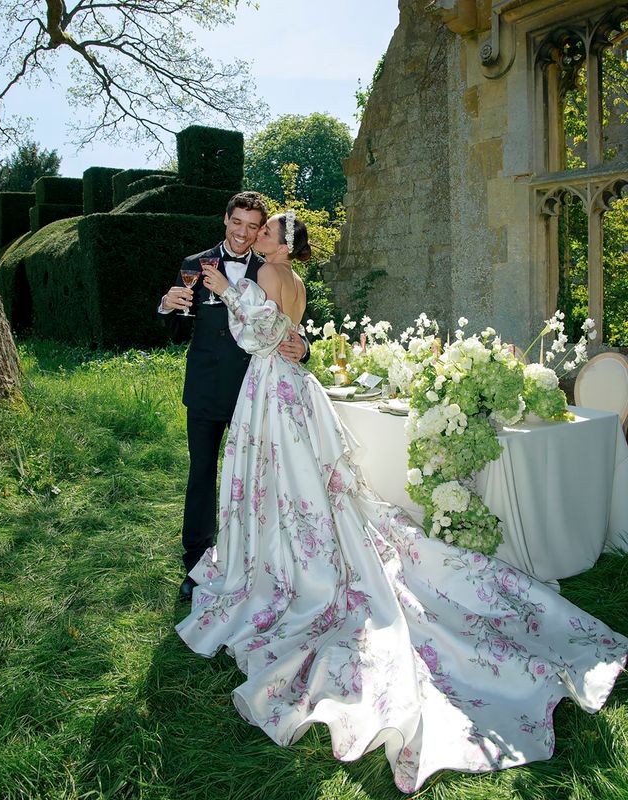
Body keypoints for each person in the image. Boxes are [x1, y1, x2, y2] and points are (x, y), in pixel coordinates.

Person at [176, 212, 628, 793]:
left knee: (284, 484)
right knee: (299, 486)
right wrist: (272, 323)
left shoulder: (262, 276)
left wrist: (230, 289)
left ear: (282, 246)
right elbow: (285, 329)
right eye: (257, 231)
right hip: (290, 389)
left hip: (272, 390)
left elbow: (262, 334)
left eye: (266, 233)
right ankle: (288, 545)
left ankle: (286, 564)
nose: (258, 236)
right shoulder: (293, 279)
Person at [159, 192, 308, 602]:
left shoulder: (269, 267)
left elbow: (283, 323)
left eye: (252, 226)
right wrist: (167, 306)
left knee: (254, 480)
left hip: (253, 393)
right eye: (236, 222)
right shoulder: (195, 264)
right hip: (206, 388)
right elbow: (176, 331)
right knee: (202, 474)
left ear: (263, 230)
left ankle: (248, 556)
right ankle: (195, 562)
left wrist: (305, 346)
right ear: (225, 219)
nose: (243, 233)